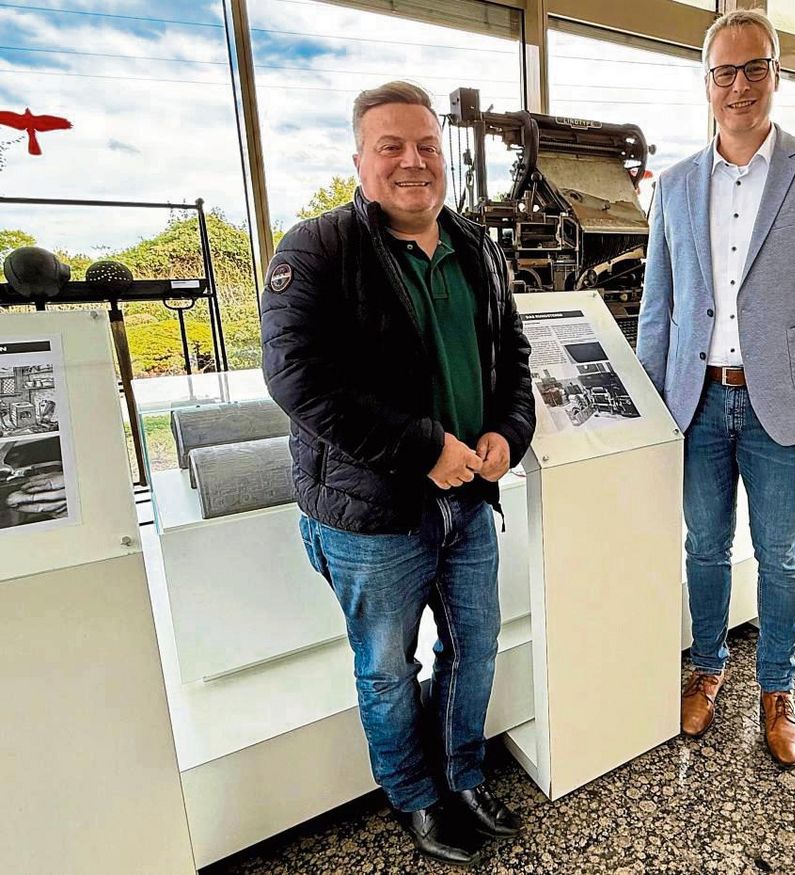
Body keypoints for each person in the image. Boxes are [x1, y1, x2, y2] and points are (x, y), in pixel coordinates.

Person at [260, 81, 535, 867]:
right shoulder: (314, 250)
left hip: (471, 503)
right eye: (392, 147)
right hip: (371, 515)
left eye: (426, 146)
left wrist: (507, 433)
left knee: (473, 648)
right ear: (359, 159)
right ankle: (415, 796)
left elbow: (511, 357)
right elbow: (298, 380)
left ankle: (464, 776)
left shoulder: (475, 245)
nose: (413, 162)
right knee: (386, 667)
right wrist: (424, 448)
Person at [637, 9, 795, 768]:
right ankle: (707, 664)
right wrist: (648, 410)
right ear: (706, 83)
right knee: (703, 546)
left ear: (777, 74)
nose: (739, 86)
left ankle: (777, 686)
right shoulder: (672, 185)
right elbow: (659, 307)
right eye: (725, 72)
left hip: (786, 407)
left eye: (754, 68)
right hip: (694, 400)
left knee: (781, 553)